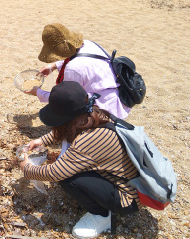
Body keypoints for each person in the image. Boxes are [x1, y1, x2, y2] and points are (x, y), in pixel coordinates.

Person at [20, 81, 140, 239]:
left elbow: (54, 173)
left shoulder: (88, 140)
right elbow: (64, 130)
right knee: (68, 169)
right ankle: (101, 202)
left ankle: (102, 216)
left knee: (67, 177)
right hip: (124, 179)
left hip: (128, 198)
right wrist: (42, 140)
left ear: (68, 119)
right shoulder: (92, 114)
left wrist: (26, 167)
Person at [25, 23, 131, 157]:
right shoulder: (87, 44)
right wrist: (54, 65)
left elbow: (67, 100)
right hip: (113, 94)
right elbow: (75, 58)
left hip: (102, 107)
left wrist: (38, 92)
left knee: (85, 141)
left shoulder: (73, 69)